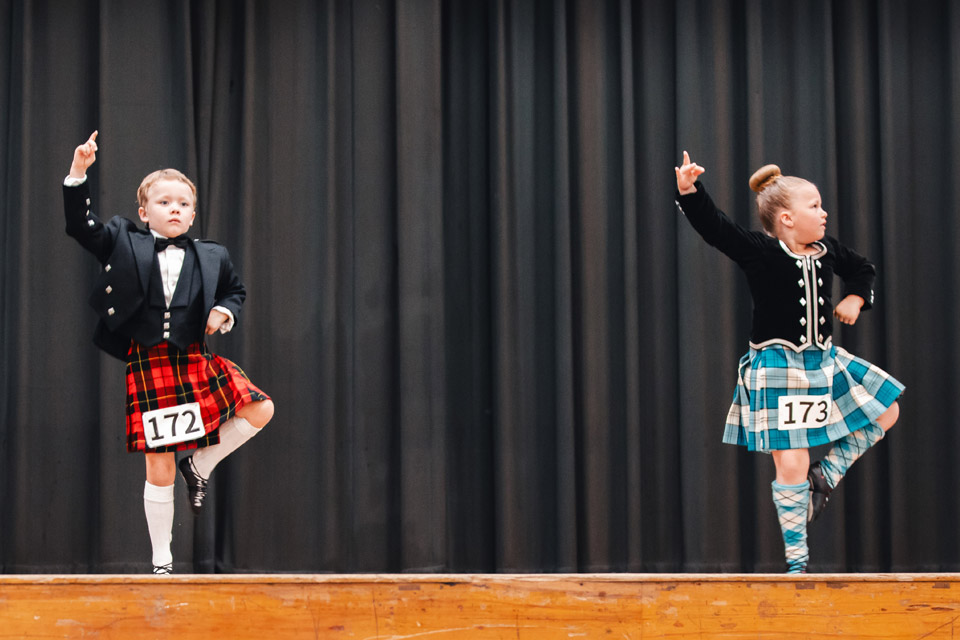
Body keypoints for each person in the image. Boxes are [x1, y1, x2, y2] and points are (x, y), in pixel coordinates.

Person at [674, 151, 903, 573]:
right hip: (779, 366)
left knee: (887, 410)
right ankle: (798, 563)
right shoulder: (760, 251)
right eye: (814, 205)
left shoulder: (827, 249)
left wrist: (855, 297)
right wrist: (690, 190)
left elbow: (862, 268)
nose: (824, 212)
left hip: (824, 361)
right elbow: (717, 230)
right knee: (792, 461)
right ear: (786, 219)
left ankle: (827, 474)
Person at [63, 131, 275, 574]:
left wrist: (223, 311)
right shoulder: (124, 240)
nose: (174, 208)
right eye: (163, 202)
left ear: (193, 214)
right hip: (149, 361)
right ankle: (163, 561)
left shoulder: (213, 254)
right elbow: (81, 228)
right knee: (158, 465)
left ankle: (199, 465)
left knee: (260, 409)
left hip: (195, 357)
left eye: (182, 203)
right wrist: (79, 173)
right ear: (144, 212)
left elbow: (236, 291)